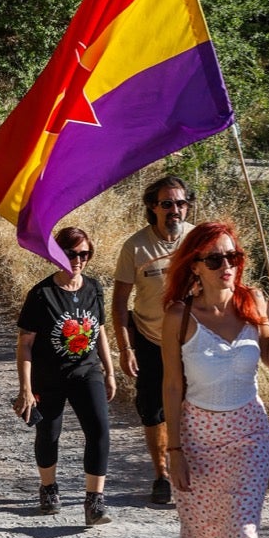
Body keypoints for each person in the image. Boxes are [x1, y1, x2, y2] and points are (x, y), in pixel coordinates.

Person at [161, 220, 269, 538]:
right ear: (195, 265)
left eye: (232, 257)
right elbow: (172, 387)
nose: (227, 266)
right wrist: (172, 450)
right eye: (215, 259)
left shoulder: (251, 302)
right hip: (197, 435)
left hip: (249, 434)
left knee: (240, 529)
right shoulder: (179, 315)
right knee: (202, 528)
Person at [14, 226, 116, 525]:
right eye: (71, 253)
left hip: (87, 371)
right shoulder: (41, 294)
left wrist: (109, 371)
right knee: (49, 433)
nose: (78, 260)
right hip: (49, 376)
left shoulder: (94, 288)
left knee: (99, 431)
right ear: (57, 255)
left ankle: (94, 503)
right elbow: (25, 344)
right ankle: (48, 488)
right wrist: (25, 389)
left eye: (84, 254)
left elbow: (99, 331)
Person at [112, 176, 193, 506]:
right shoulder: (136, 246)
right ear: (152, 206)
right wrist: (125, 347)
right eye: (167, 204)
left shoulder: (198, 240)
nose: (175, 210)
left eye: (181, 203)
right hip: (149, 339)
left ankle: (191, 470)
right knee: (154, 410)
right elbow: (119, 301)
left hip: (192, 340)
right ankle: (161, 475)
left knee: (195, 406)